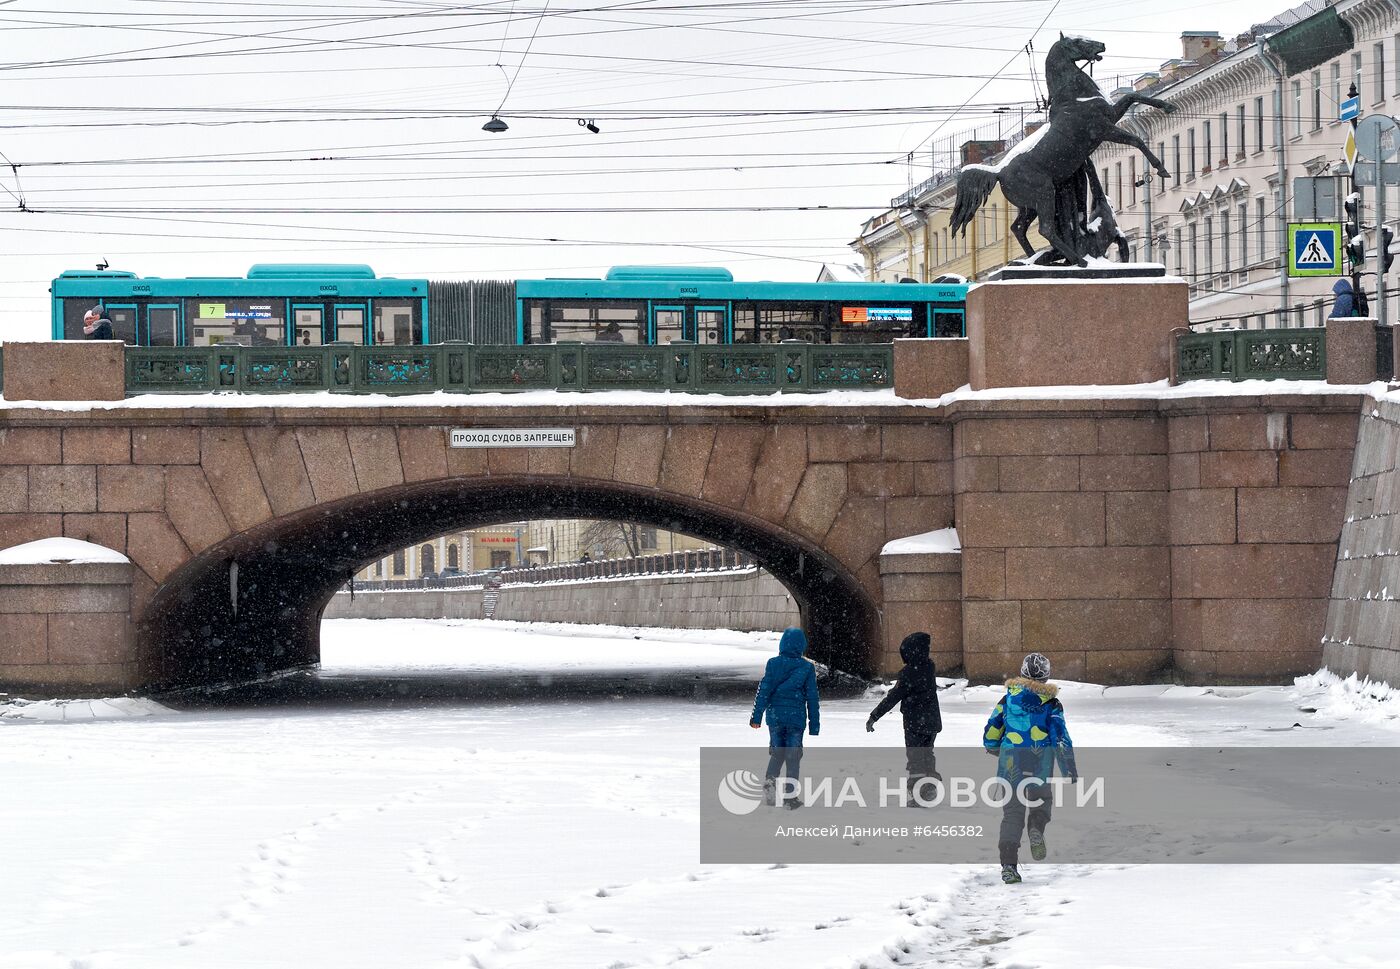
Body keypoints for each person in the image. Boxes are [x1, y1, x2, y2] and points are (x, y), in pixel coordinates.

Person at [982, 652, 1077, 885]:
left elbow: (993, 728)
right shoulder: (1052, 704)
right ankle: (1036, 827)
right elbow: (1060, 738)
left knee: (1012, 815)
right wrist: (1068, 769)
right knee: (1041, 802)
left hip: (1010, 764)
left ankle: (1008, 866)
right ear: (1046, 676)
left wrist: (993, 746)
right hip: (1039, 764)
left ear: (1023, 672)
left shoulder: (1008, 699)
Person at [866, 631, 942, 804]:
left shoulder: (909, 673)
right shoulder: (929, 666)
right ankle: (929, 786)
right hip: (931, 722)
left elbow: (893, 697)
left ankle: (919, 794)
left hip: (915, 722)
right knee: (927, 753)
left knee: (915, 758)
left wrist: (874, 716)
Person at [749, 627, 820, 809]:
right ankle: (790, 798)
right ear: (801, 646)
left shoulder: (773, 664)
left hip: (775, 719)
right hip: (796, 720)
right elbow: (812, 697)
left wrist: (756, 716)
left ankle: (770, 786)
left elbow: (763, 691)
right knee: (793, 758)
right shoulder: (807, 667)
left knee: (777, 753)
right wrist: (814, 724)